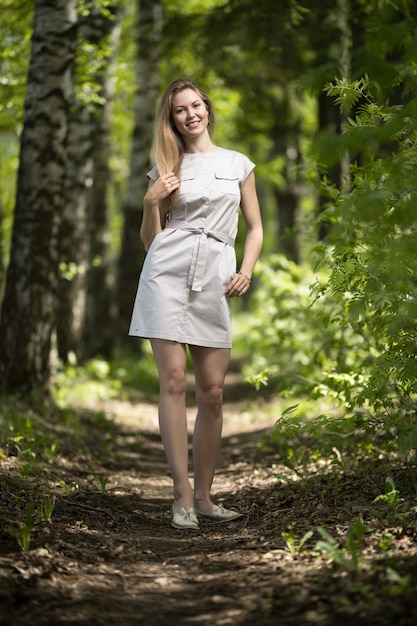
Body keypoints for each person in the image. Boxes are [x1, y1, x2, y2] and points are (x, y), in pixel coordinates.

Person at [129, 78, 263, 530]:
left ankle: (205, 497)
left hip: (215, 277)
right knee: (172, 381)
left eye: (196, 105)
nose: (191, 114)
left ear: (207, 108)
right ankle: (181, 496)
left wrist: (246, 268)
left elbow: (255, 227)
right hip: (166, 271)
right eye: (180, 110)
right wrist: (151, 203)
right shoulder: (166, 168)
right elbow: (151, 241)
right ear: (172, 121)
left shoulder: (238, 163)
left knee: (212, 392)